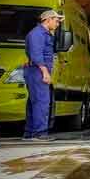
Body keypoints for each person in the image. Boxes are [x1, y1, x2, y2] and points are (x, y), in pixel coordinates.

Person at [23, 9, 62, 140]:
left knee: (34, 102)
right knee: (42, 102)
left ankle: (29, 133)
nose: (57, 24)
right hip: (37, 71)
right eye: (56, 21)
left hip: (36, 70)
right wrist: (45, 72)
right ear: (47, 20)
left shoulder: (44, 34)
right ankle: (39, 133)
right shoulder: (37, 34)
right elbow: (36, 54)